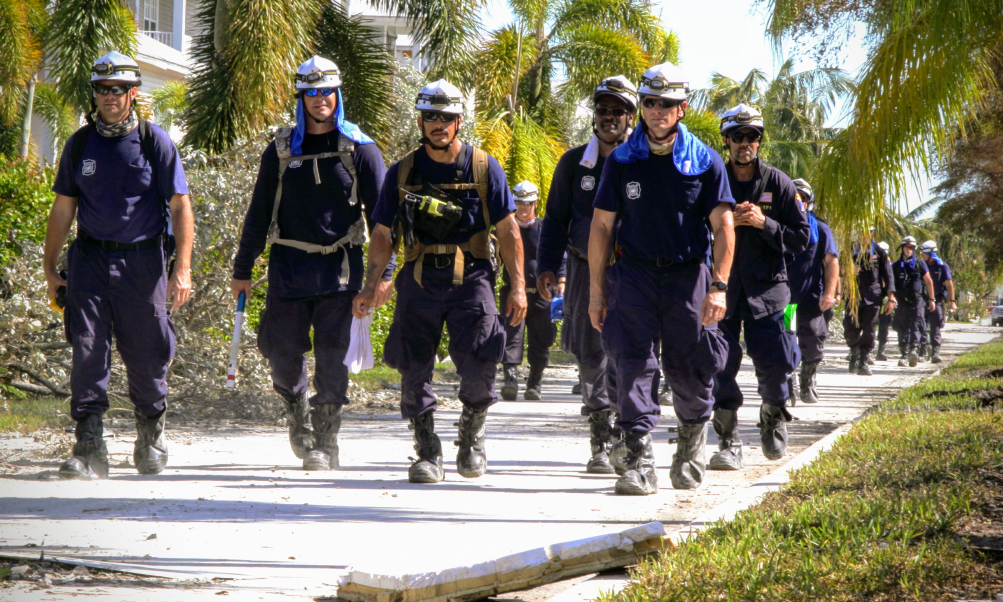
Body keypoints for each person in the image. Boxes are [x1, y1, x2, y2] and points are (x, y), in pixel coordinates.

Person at [353, 80, 526, 484]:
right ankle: (427, 450)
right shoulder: (403, 171)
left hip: (474, 278)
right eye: (430, 116)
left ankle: (471, 437)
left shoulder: (484, 167)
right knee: (414, 365)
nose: (438, 124)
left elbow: (510, 230)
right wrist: (370, 284)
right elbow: (381, 234)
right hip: (419, 279)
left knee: (482, 358)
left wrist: (518, 286)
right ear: (420, 120)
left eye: (446, 117)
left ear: (459, 121)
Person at [231, 56, 390, 471]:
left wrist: (383, 276)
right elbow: (259, 212)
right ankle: (297, 411)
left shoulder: (361, 149)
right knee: (282, 353)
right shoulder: (282, 150)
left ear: (338, 96)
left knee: (333, 356)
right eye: (312, 92)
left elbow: (384, 221)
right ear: (301, 97)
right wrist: (242, 269)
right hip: (287, 268)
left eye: (328, 92)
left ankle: (325, 440)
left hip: (341, 272)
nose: (321, 100)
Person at [45, 51, 193, 480]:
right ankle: (89, 446)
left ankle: (151, 432)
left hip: (143, 263)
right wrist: (50, 266)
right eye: (101, 89)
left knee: (147, 353)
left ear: (133, 93)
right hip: (90, 260)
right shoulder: (80, 144)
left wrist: (182, 269)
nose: (109, 97)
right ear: (94, 94)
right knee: (88, 349)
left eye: (117, 90)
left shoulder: (154, 141)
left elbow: (181, 206)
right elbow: (62, 209)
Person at [589, 62, 734, 494]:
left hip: (688, 276)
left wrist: (719, 286)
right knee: (632, 360)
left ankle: (691, 444)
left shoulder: (705, 162)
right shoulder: (621, 160)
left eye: (666, 104)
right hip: (632, 274)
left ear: (682, 109)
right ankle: (638, 462)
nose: (656, 111)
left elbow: (724, 228)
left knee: (687, 366)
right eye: (649, 103)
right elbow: (600, 227)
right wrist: (597, 290)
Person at [537, 75, 637, 474]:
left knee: (630, 351)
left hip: (632, 271)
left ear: (631, 116)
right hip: (581, 269)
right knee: (590, 353)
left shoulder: (644, 161)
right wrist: (547, 267)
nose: (609, 117)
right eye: (602, 110)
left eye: (617, 111)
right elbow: (555, 220)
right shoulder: (573, 163)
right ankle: (600, 437)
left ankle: (629, 432)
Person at [711, 104, 809, 470]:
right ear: (726, 141)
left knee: (778, 360)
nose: (744, 144)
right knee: (719, 363)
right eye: (737, 137)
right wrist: (721, 226)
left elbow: (801, 238)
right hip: (722, 289)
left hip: (770, 292)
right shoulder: (713, 179)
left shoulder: (779, 183)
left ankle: (772, 418)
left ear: (759, 141)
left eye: (751, 137)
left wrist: (762, 222)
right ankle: (728, 441)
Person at [500, 181, 561, 401]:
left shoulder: (546, 229)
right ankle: (510, 381)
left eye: (526, 203)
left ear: (535, 203)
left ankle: (534, 383)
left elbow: (559, 256)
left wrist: (561, 279)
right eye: (518, 202)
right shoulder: (505, 228)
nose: (522, 207)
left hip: (542, 293)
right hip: (513, 292)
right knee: (511, 335)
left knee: (541, 338)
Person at [786, 179, 838, 402]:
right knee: (785, 341)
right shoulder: (778, 224)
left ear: (809, 202)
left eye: (803, 198)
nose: (799, 202)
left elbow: (831, 262)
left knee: (813, 338)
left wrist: (829, 293)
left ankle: (808, 382)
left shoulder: (820, 228)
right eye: (794, 197)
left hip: (811, 299)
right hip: (785, 301)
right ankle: (787, 387)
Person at [845, 234, 896, 371]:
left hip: (873, 297)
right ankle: (854, 352)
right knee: (850, 330)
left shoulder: (879, 252)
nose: (865, 235)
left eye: (868, 231)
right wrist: (849, 271)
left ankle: (863, 360)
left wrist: (890, 299)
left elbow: (888, 276)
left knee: (870, 329)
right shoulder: (850, 250)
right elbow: (838, 270)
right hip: (853, 296)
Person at [891, 236, 936, 367]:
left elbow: (928, 281)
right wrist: (891, 298)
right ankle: (904, 354)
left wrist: (932, 299)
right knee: (902, 327)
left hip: (917, 300)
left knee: (916, 324)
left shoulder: (920, 263)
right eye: (907, 247)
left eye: (911, 248)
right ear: (902, 248)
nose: (909, 250)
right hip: (901, 300)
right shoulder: (896, 265)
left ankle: (913, 351)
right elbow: (890, 283)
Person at [918, 240, 955, 363]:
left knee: (936, 326)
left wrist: (952, 301)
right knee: (921, 326)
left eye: (924, 253)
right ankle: (922, 351)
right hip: (922, 299)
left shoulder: (942, 266)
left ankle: (935, 352)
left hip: (937, 300)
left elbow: (949, 284)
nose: (921, 255)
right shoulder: (921, 265)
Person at [874, 241, 894, 361]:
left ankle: (880, 350)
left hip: (884, 298)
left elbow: (890, 282)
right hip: (872, 296)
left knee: (884, 324)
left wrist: (891, 298)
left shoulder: (889, 264)